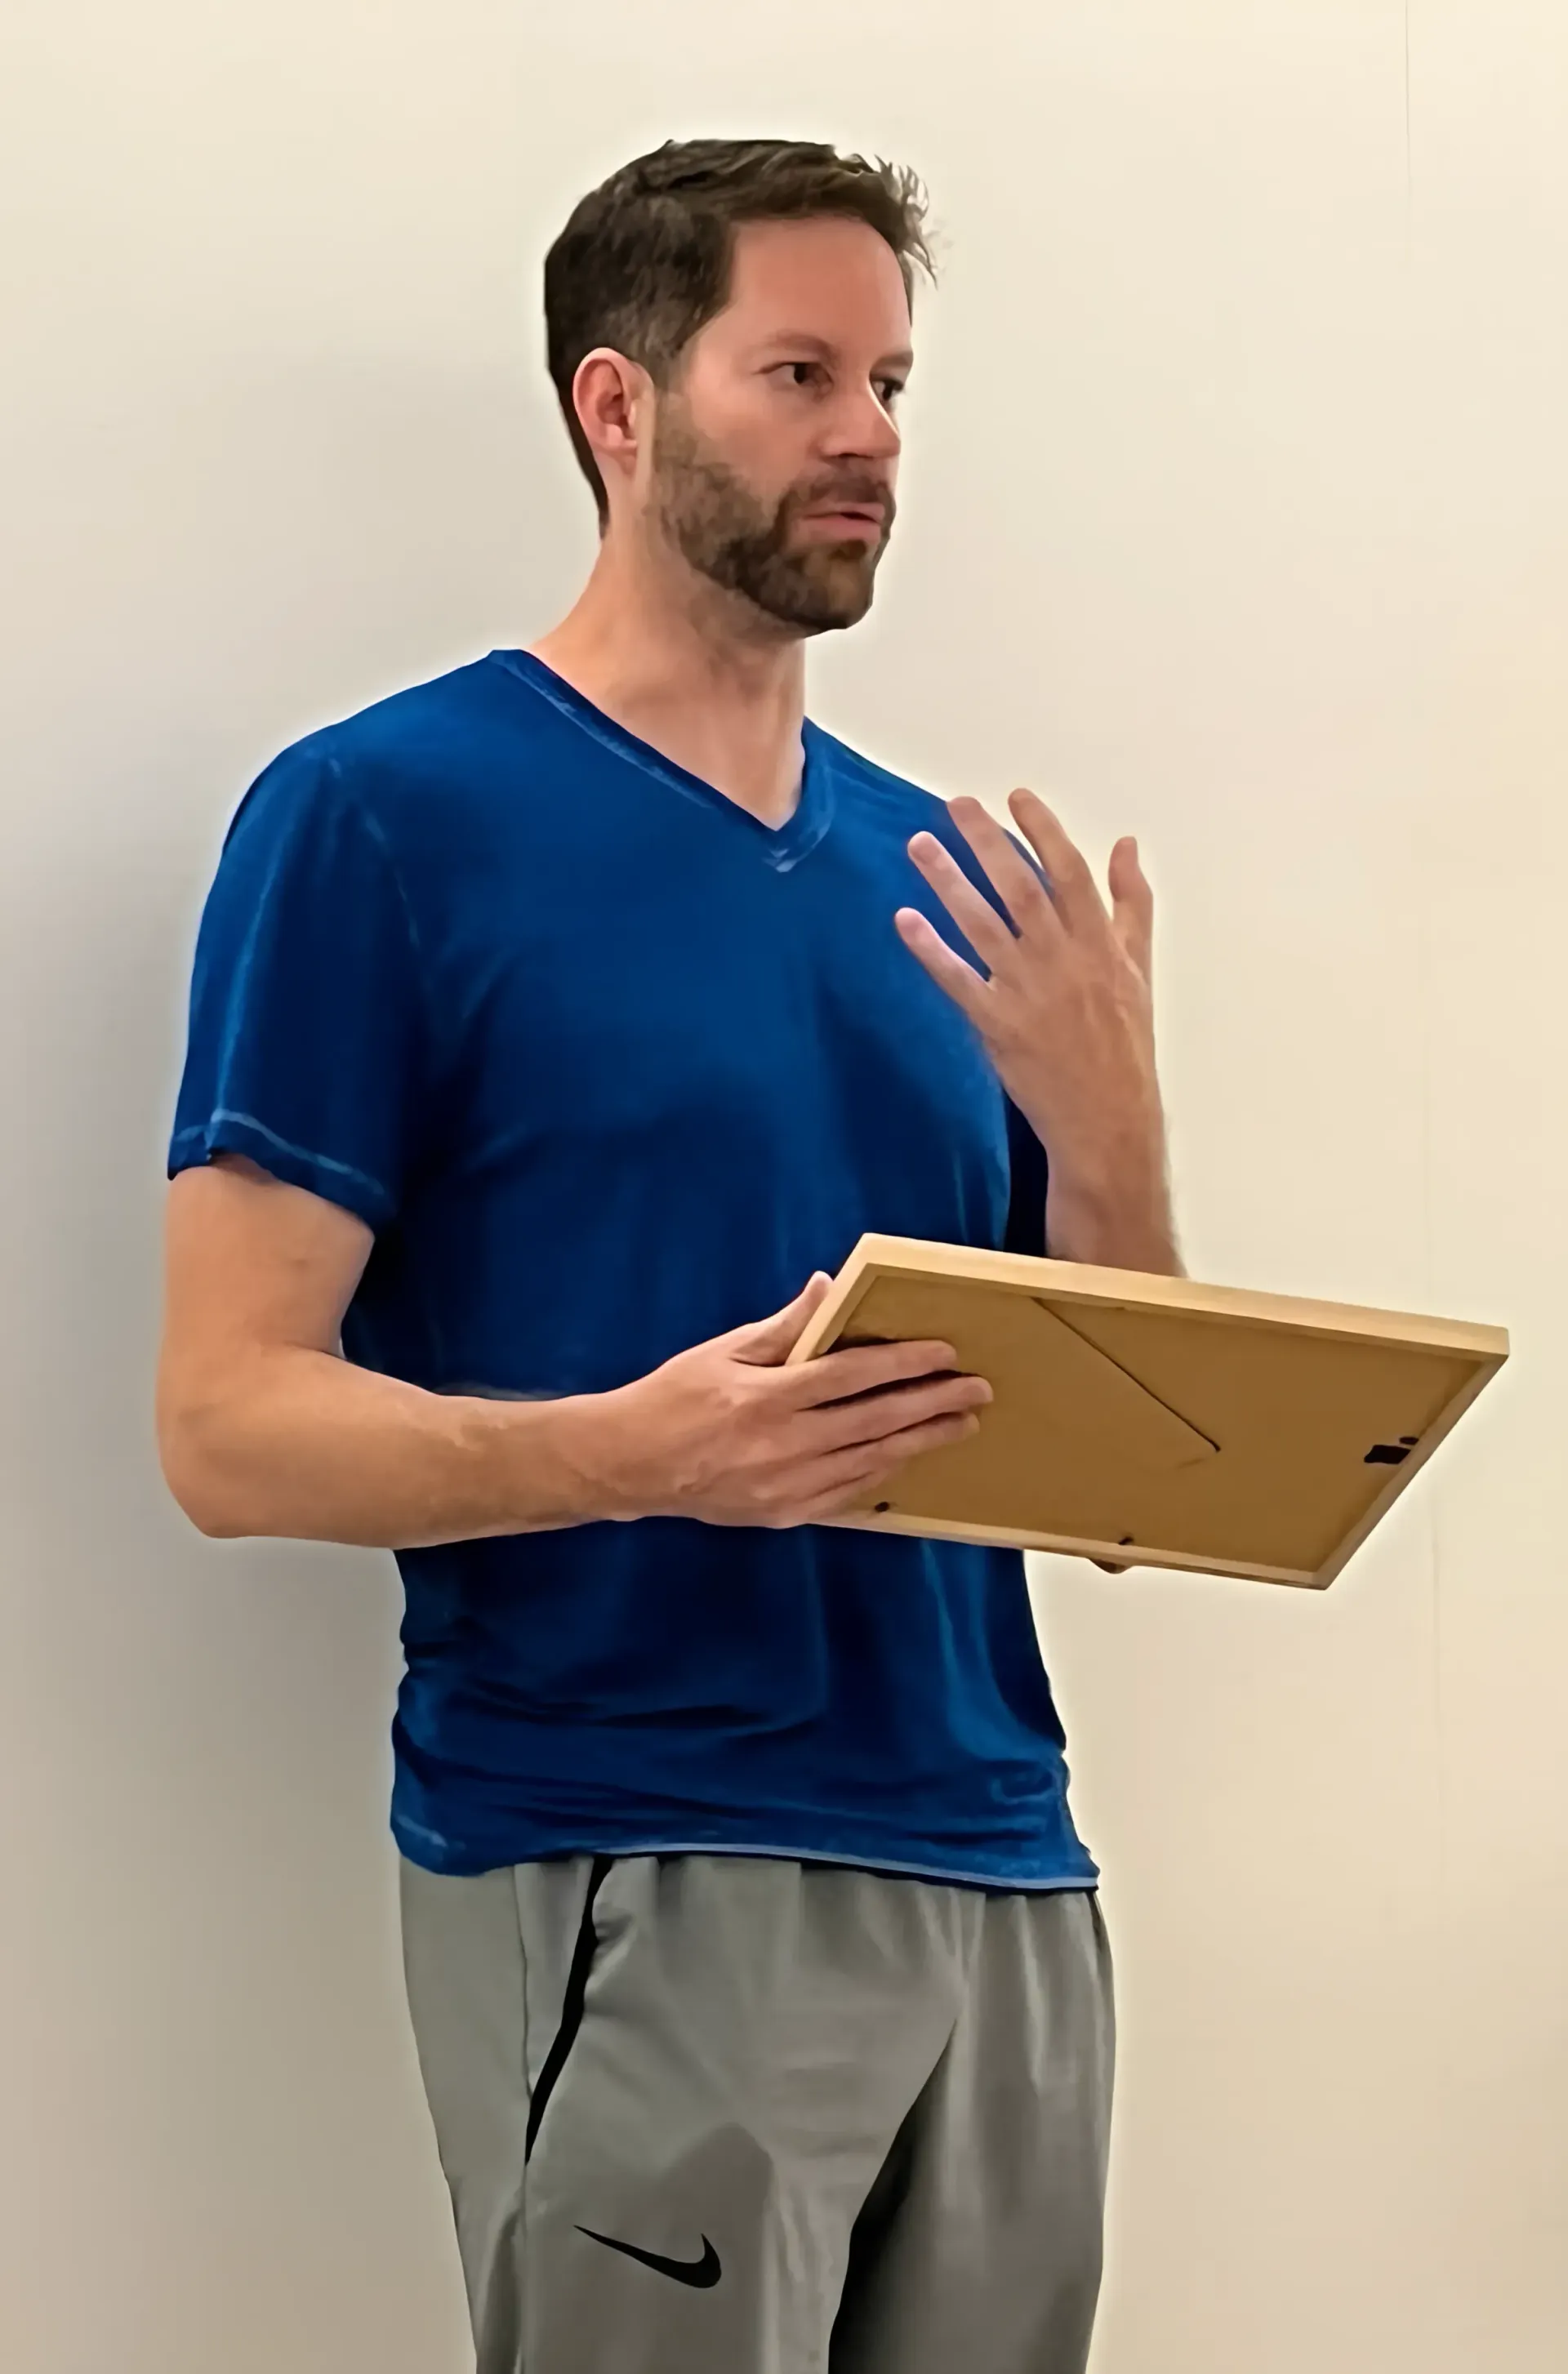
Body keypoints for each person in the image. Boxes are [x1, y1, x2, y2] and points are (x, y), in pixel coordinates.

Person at [157, 137, 1179, 2374]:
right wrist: (635, 1452)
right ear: (619, 408)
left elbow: (1130, 1479)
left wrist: (1115, 1143)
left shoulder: (947, 878)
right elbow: (228, 1425)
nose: (870, 438)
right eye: (800, 371)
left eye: (895, 382)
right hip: (635, 1854)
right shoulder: (383, 821)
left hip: (1007, 1873)